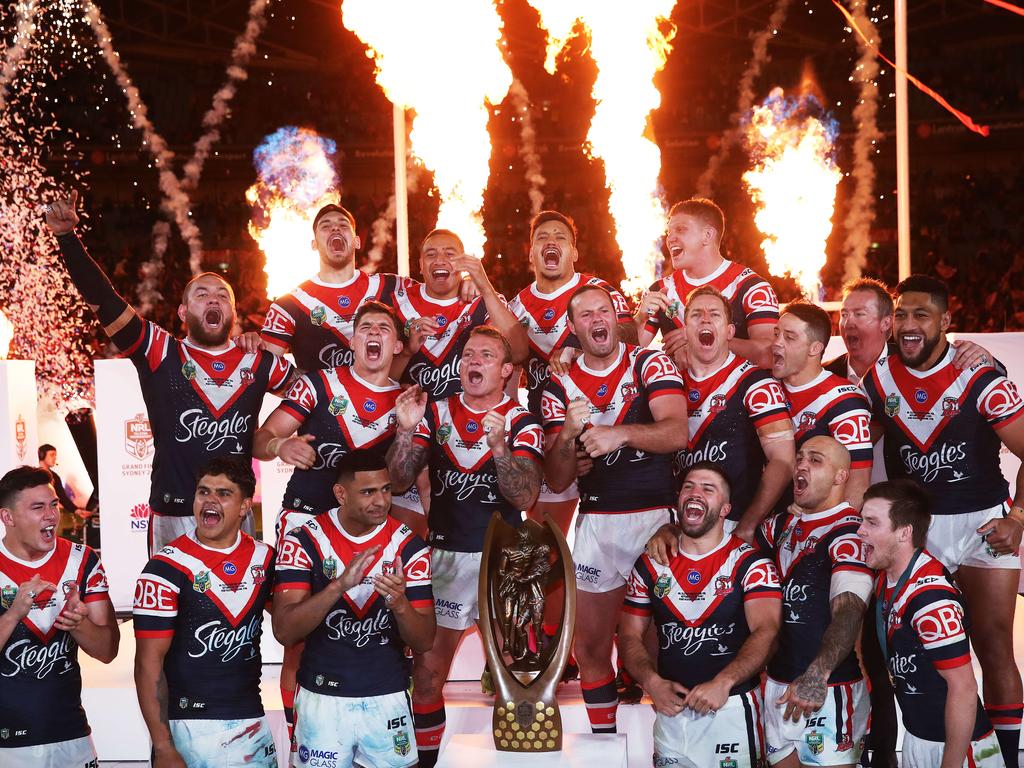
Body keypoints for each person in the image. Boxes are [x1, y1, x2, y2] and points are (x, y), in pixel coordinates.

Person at [44, 191, 295, 553]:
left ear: (234, 313)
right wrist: (67, 239)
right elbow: (106, 301)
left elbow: (312, 394)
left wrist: (278, 435)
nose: (213, 299)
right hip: (172, 513)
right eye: (202, 294)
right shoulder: (161, 351)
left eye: (223, 296)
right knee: (171, 609)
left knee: (238, 608)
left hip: (236, 514)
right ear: (181, 312)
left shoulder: (257, 361)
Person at [861, 274, 1024, 768]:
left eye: (922, 315)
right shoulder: (877, 378)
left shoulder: (981, 376)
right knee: (903, 651)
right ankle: (897, 750)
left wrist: (1019, 516)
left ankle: (1010, 758)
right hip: (917, 535)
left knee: (993, 644)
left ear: (946, 322)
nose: (910, 325)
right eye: (903, 315)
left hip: (983, 528)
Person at [386, 326, 544, 767]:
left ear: (506, 370)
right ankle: (429, 763)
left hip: (505, 560)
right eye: (468, 354)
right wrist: (404, 431)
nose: (474, 362)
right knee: (428, 675)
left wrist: (498, 449)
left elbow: (526, 497)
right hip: (445, 557)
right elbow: (398, 479)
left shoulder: (521, 421)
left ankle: (514, 761)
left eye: (487, 356)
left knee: (513, 676)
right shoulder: (434, 414)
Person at [253, 300, 404, 739]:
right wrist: (280, 448)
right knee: (296, 641)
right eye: (365, 327)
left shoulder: (408, 400)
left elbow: (414, 477)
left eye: (384, 328)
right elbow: (262, 436)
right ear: (353, 340)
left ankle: (372, 734)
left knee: (379, 633)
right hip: (305, 525)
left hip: (370, 532)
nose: (374, 334)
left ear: (395, 344)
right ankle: (303, 747)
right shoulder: (317, 385)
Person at [542, 284, 689, 735]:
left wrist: (618, 434)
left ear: (616, 316)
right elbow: (559, 479)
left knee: (665, 645)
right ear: (573, 328)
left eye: (603, 311)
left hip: (655, 521)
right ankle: (605, 744)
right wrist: (567, 437)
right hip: (597, 523)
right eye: (585, 315)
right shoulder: (558, 383)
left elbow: (676, 432)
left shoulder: (649, 361)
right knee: (588, 646)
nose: (596, 320)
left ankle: (682, 747)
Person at [273, 451, 434, 768]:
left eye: (386, 489)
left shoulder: (410, 547)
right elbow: (284, 630)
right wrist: (338, 586)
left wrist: (400, 604)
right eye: (368, 492)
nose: (381, 501)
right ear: (340, 494)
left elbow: (425, 640)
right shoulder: (303, 541)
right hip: (322, 699)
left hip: (387, 698)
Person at [621, 463, 782, 768]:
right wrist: (651, 683)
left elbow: (768, 631)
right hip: (671, 714)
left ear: (725, 508)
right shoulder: (650, 564)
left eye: (708, 489)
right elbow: (629, 635)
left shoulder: (751, 563)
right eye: (688, 486)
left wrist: (723, 682)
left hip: (731, 709)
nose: (695, 493)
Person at [507, 211, 635, 562]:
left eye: (560, 237)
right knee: (544, 551)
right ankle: (549, 619)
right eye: (542, 237)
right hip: (553, 443)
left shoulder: (600, 292)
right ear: (530, 252)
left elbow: (631, 335)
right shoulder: (516, 306)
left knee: (610, 557)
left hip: (604, 435)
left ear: (574, 252)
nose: (551, 241)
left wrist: (578, 348)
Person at [133, 457, 277, 768]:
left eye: (224, 494)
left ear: (244, 507)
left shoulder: (266, 559)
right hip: (189, 727)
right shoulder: (164, 567)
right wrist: (163, 746)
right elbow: (148, 663)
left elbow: (290, 625)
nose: (210, 500)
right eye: (203, 492)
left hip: (252, 721)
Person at [858, 480, 1004, 767]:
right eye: (862, 520)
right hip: (918, 738)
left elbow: (962, 689)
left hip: (960, 750)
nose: (860, 530)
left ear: (904, 532)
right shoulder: (888, 579)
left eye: (872, 522)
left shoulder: (930, 600)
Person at [757, 436, 873, 768]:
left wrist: (816, 675)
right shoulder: (780, 524)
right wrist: (668, 532)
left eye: (816, 460)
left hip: (827, 689)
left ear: (841, 477)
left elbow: (850, 611)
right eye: (800, 459)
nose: (802, 465)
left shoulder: (850, 533)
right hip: (778, 686)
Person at [0, 465, 119, 768]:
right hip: (8, 746)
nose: (51, 515)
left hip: (73, 737)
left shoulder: (82, 560)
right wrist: (13, 615)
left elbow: (107, 651)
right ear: (8, 518)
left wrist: (78, 624)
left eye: (53, 504)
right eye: (38, 507)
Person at [676, 286, 795, 541]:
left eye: (715, 315)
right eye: (696, 314)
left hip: (733, 525)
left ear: (730, 332)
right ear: (685, 331)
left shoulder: (756, 383)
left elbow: (783, 461)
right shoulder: (668, 382)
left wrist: (748, 524)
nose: (705, 318)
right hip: (679, 526)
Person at [635, 197, 779, 369]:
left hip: (737, 393)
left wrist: (701, 338)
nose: (670, 238)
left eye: (680, 229)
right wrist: (639, 319)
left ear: (708, 235)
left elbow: (770, 354)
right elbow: (625, 354)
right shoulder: (661, 290)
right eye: (669, 232)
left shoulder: (751, 287)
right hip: (679, 394)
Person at [390, 228, 528, 401]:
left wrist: (484, 286)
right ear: (420, 265)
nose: (440, 260)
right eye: (431, 254)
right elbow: (378, 377)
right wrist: (407, 351)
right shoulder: (399, 303)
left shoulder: (484, 301)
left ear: (463, 263)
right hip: (415, 422)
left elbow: (519, 352)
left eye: (450, 254)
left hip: (472, 421)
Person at [259, 204, 401, 372]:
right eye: (326, 226)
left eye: (343, 225)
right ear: (314, 244)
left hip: (382, 399)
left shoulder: (393, 287)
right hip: (321, 400)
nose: (335, 228)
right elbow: (264, 370)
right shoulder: (290, 304)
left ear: (357, 241)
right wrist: (305, 387)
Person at [771, 302, 873, 509]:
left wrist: (825, 529)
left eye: (789, 337)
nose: (776, 343)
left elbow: (857, 485)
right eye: (776, 334)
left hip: (813, 527)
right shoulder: (763, 387)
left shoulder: (845, 400)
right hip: (767, 521)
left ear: (815, 348)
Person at [37, 444, 90, 539]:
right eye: (52, 455)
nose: (54, 458)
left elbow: (62, 497)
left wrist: (77, 510)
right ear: (41, 455)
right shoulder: (32, 474)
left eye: (55, 455)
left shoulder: (55, 477)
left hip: (51, 515)